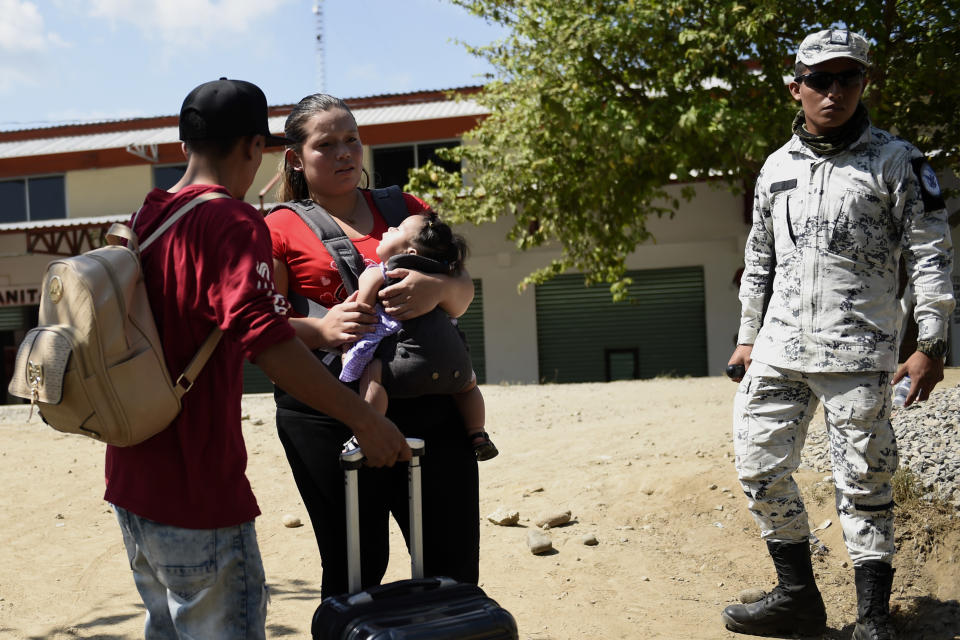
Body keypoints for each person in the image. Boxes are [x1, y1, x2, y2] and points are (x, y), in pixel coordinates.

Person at [105, 79, 410, 640]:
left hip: (131, 483)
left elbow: (216, 322)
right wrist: (364, 418)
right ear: (254, 148)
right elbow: (266, 345)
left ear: (183, 145)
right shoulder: (231, 221)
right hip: (199, 490)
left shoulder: (149, 215)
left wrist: (315, 328)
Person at [722, 30, 954, 640]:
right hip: (778, 350)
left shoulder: (898, 160)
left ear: (864, 84)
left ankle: (873, 619)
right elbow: (760, 258)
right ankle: (797, 596)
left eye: (848, 78)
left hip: (859, 350)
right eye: (820, 80)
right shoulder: (776, 166)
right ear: (795, 87)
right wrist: (747, 336)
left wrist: (930, 340)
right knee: (757, 466)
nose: (834, 91)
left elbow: (931, 254)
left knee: (865, 482)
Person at [266, 93, 481, 599]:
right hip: (326, 414)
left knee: (451, 566)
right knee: (356, 570)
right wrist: (320, 329)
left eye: (352, 140)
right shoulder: (276, 227)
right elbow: (261, 326)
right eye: (327, 144)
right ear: (296, 157)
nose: (344, 153)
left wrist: (439, 290)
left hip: (432, 401)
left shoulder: (405, 209)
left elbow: (464, 291)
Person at [339, 210, 498, 461]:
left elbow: (364, 312)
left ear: (409, 254)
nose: (389, 229)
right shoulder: (446, 273)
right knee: (469, 386)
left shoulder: (380, 272)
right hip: (454, 363)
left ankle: (367, 433)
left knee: (372, 377)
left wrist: (350, 345)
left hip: (407, 364)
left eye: (398, 229)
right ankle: (478, 432)